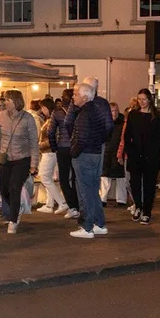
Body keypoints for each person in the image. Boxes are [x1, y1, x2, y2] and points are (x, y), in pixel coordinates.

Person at [66, 78, 114, 239]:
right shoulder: (96, 110)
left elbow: (81, 137)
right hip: (95, 153)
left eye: (76, 94)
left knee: (86, 192)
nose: (73, 97)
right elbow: (107, 128)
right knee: (93, 191)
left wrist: (73, 152)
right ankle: (99, 224)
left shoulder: (84, 113)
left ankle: (87, 227)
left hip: (85, 156)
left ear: (85, 97)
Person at [0, 89, 39, 234]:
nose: (5, 102)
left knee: (15, 187)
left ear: (16, 101)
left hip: (22, 159)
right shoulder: (1, 116)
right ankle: (17, 207)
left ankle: (13, 221)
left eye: (8, 100)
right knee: (4, 190)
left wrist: (34, 164)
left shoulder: (28, 118)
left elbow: (34, 142)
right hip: (5, 159)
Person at [122, 88, 160, 224]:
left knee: (149, 185)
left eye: (144, 99)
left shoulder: (157, 116)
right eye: (139, 99)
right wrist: (128, 150)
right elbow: (127, 135)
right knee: (134, 183)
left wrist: (158, 153)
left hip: (151, 155)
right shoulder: (133, 115)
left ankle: (147, 211)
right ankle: (138, 206)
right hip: (135, 154)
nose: (141, 102)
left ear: (149, 100)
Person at [48, 89, 80, 219]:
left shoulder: (57, 112)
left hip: (63, 147)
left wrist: (54, 147)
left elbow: (50, 132)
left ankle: (72, 207)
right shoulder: (79, 111)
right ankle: (79, 205)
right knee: (76, 178)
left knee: (64, 179)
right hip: (77, 147)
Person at [35, 97, 68, 213]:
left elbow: (51, 138)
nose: (42, 110)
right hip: (50, 152)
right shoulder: (51, 119)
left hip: (49, 152)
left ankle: (61, 202)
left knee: (44, 177)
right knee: (47, 178)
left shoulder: (51, 120)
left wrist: (39, 145)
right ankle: (49, 204)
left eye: (43, 108)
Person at [101, 99, 127, 207]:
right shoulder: (104, 123)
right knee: (105, 177)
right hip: (106, 152)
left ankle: (121, 200)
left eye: (116, 110)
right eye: (112, 111)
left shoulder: (122, 123)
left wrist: (121, 153)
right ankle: (103, 199)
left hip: (118, 152)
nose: (114, 113)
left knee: (120, 177)